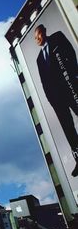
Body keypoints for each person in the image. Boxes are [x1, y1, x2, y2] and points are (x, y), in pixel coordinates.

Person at [34, 24, 78, 175]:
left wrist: (74, 75)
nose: (36, 39)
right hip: (56, 98)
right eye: (34, 38)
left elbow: (71, 53)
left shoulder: (57, 37)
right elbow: (43, 82)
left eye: (38, 35)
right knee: (68, 128)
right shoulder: (39, 59)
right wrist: (50, 99)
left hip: (70, 86)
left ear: (44, 32)